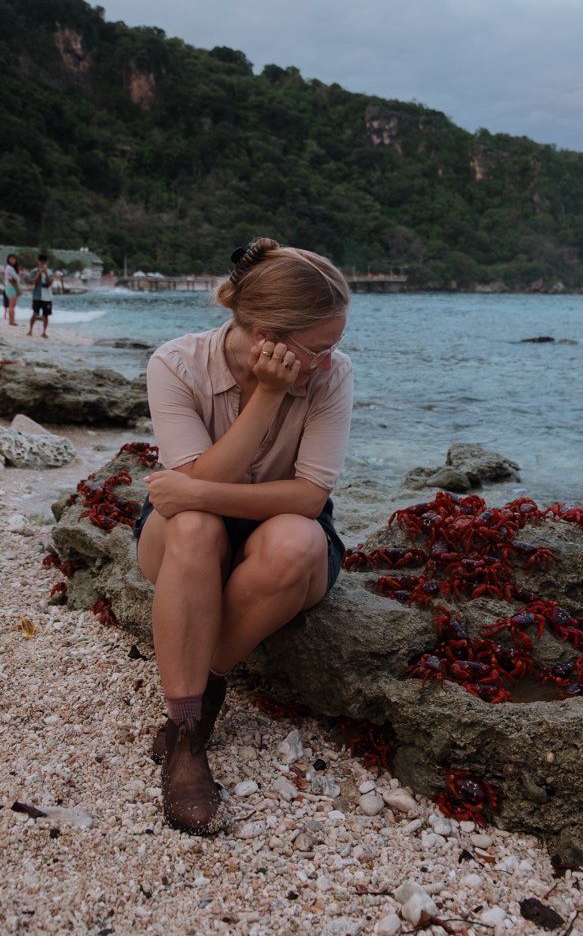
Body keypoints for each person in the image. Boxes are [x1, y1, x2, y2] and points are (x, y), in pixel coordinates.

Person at [134, 237, 352, 835]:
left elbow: (308, 497)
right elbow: (189, 503)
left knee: (298, 541)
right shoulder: (175, 365)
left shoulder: (331, 379)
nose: (330, 361)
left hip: (276, 533)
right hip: (185, 540)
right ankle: (185, 735)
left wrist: (196, 491)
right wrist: (270, 396)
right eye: (319, 348)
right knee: (197, 527)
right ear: (266, 337)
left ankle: (196, 700)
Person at [28, 253, 54, 337]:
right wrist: (39, 273)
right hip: (37, 295)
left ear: (46, 262)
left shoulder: (49, 272)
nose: (42, 264)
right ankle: (30, 330)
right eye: (40, 262)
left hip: (47, 296)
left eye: (43, 262)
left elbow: (49, 283)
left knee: (45, 315)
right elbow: (32, 282)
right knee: (35, 313)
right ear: (38, 261)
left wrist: (45, 274)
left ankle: (44, 332)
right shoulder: (34, 271)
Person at [4, 253, 20, 325]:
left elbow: (16, 278)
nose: (13, 260)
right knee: (12, 305)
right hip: (11, 287)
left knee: (12, 305)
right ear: (8, 260)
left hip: (10, 287)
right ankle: (12, 321)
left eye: (14, 259)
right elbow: (17, 278)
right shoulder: (9, 268)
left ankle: (12, 320)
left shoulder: (11, 268)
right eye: (11, 259)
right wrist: (16, 278)